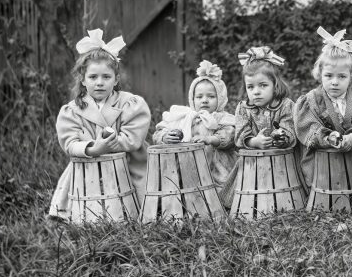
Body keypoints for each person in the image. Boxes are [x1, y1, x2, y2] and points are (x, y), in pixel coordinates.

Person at [48, 29, 151, 219]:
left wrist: (110, 144)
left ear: (116, 79)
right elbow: (69, 142)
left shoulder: (130, 103)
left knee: (139, 208)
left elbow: (133, 138)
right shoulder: (72, 110)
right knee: (86, 204)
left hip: (127, 163)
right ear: (83, 80)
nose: (100, 83)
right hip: (90, 164)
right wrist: (94, 148)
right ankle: (84, 214)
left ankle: (134, 211)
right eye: (93, 77)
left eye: (106, 77)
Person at [293, 27, 352, 185]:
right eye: (328, 76)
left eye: (342, 76)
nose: (334, 82)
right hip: (325, 163)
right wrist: (328, 137)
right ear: (320, 74)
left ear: (351, 76)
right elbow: (309, 128)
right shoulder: (311, 101)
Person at [153, 60, 237, 206]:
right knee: (183, 186)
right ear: (192, 99)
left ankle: (220, 202)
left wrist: (212, 139)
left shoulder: (222, 118)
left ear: (220, 98)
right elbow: (159, 131)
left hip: (215, 167)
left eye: (211, 96)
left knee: (218, 191)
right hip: (188, 166)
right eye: (199, 97)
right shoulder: (185, 117)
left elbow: (231, 135)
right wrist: (165, 136)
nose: (204, 100)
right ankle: (185, 202)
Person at [234, 46, 296, 151]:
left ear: (275, 85)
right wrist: (253, 142)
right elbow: (240, 135)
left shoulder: (286, 105)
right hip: (253, 163)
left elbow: (289, 130)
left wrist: (281, 138)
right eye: (250, 87)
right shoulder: (243, 108)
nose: (256, 92)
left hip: (282, 161)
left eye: (263, 85)